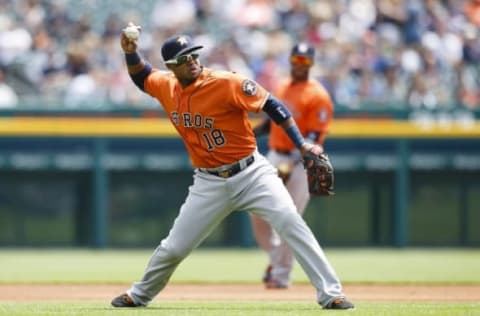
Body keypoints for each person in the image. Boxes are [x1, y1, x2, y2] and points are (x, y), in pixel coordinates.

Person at [111, 24, 354, 310]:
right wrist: (130, 52)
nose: (192, 61)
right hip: (208, 182)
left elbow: (273, 106)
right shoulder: (167, 85)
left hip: (252, 173)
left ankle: (331, 293)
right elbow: (142, 77)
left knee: (291, 222)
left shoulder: (226, 82)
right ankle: (139, 294)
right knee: (174, 247)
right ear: (171, 66)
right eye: (184, 59)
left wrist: (301, 145)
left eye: (194, 55)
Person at [250, 42, 334, 289]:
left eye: (304, 61)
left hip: (300, 162)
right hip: (275, 154)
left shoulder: (319, 95)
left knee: (289, 218)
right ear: (291, 60)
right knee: (256, 211)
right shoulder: (282, 85)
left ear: (311, 63)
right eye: (296, 60)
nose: (300, 64)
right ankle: (277, 259)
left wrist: (296, 162)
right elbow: (272, 122)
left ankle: (281, 274)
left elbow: (315, 138)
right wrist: (250, 134)